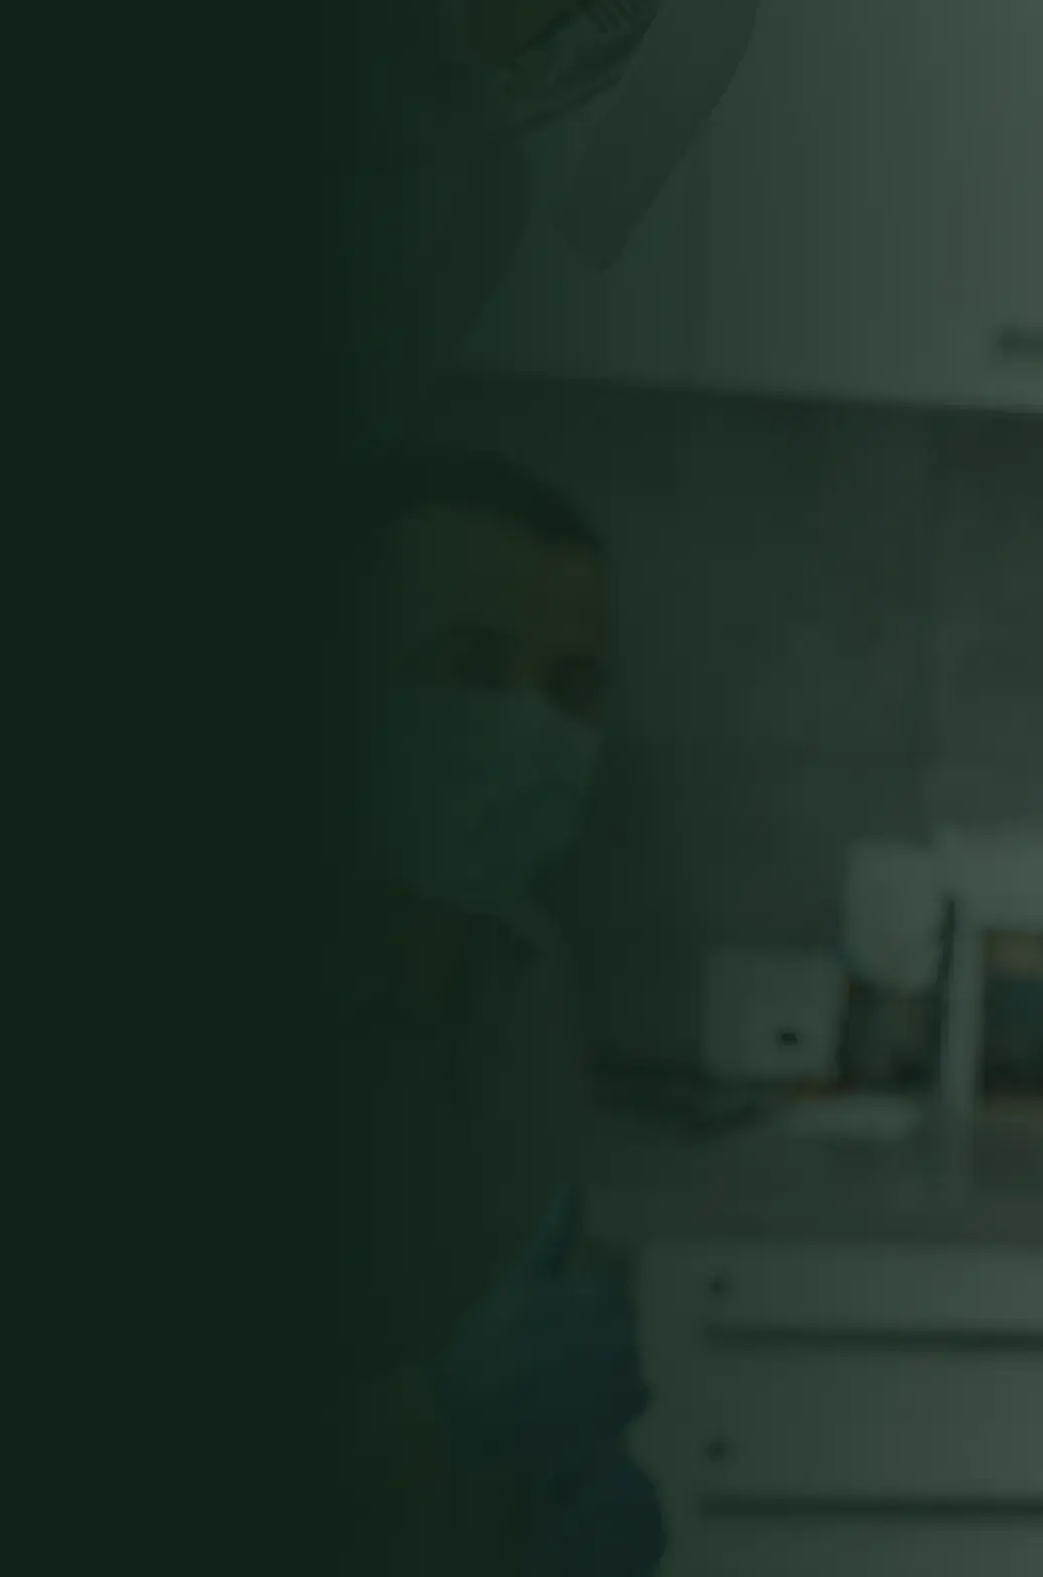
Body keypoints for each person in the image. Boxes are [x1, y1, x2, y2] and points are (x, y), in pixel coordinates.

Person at [333, 449, 665, 1576]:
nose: (527, 728)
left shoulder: (527, 969)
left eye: (573, 688)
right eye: (468, 666)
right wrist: (434, 1419)